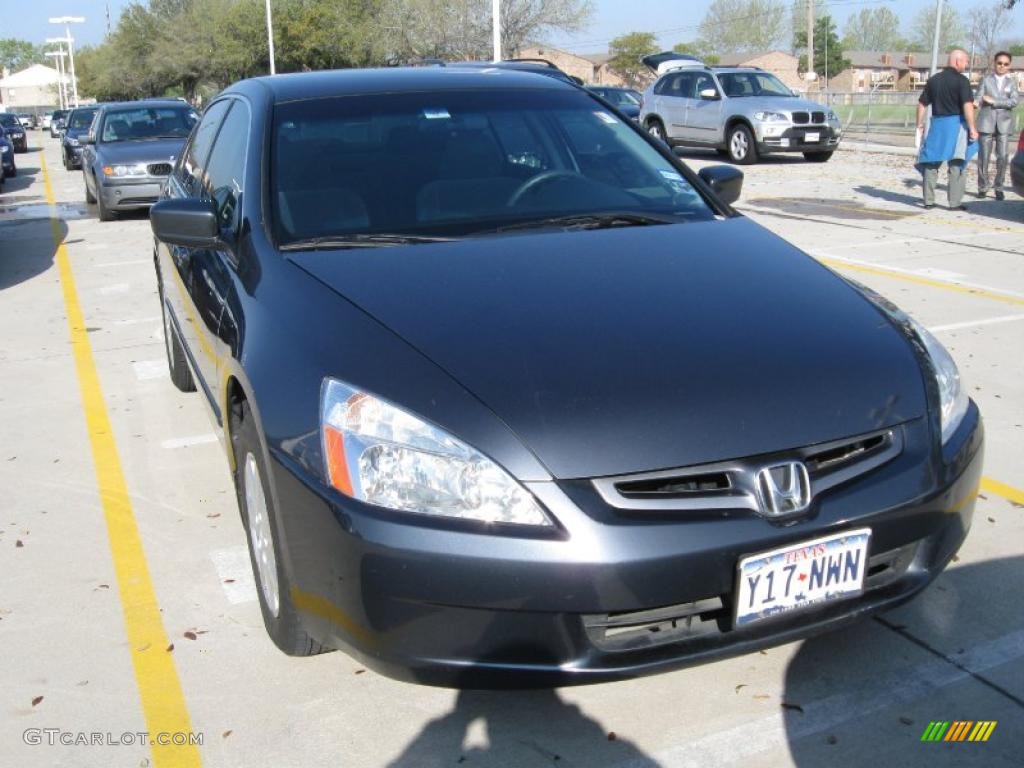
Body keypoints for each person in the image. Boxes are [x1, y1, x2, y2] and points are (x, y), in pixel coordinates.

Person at [915, 49, 979, 210]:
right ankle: (954, 202)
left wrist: (919, 124)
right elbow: (967, 105)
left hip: (937, 124)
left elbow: (922, 103)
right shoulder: (962, 81)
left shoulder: (933, 80)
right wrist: (972, 127)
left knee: (931, 162)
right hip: (956, 125)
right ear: (958, 61)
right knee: (957, 162)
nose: (966, 65)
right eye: (965, 61)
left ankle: (928, 201)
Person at [975, 51, 1019, 200]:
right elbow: (979, 97)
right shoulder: (986, 80)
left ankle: (999, 186)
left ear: (1009, 66)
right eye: (999, 63)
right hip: (986, 122)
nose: (1002, 66)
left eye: (1006, 64)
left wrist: (995, 101)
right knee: (984, 157)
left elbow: (1014, 101)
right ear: (995, 63)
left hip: (1004, 124)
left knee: (1003, 156)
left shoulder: (1011, 82)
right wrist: (977, 101)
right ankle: (983, 186)